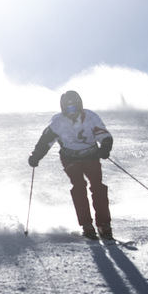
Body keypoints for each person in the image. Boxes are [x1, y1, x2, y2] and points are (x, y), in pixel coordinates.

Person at [28, 90, 116, 241]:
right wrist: (36, 156)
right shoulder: (57, 122)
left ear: (80, 106)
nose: (72, 113)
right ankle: (87, 225)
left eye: (74, 108)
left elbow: (104, 135)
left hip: (91, 156)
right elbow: (45, 142)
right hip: (70, 158)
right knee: (79, 186)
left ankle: (103, 224)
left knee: (97, 186)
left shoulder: (91, 117)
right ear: (63, 109)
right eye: (68, 109)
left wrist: (105, 147)